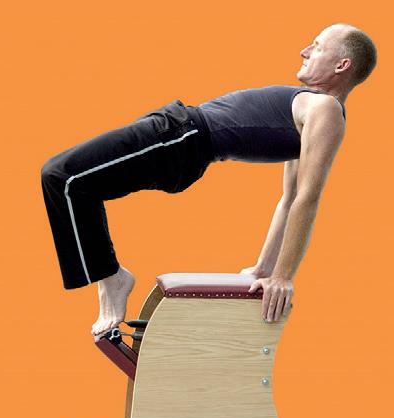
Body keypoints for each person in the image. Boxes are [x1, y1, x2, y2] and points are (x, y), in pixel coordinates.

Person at [41, 22, 377, 335]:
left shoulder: (325, 110)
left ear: (342, 65)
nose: (304, 51)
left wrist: (283, 277)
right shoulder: (311, 105)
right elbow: (288, 200)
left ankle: (111, 279)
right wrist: (263, 269)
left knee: (62, 176)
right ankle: (108, 277)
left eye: (317, 46)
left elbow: (306, 197)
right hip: (179, 135)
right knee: (76, 184)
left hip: (181, 136)